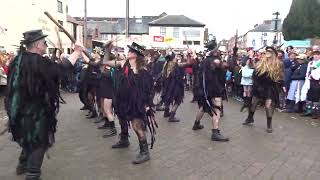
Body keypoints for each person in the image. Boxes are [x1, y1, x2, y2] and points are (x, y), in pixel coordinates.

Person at [6, 30, 84, 180]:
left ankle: (23, 163)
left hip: (18, 111)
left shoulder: (17, 60)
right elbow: (61, 69)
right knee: (38, 141)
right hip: (35, 113)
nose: (46, 45)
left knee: (27, 136)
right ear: (36, 45)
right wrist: (77, 51)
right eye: (44, 43)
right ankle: (32, 174)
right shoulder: (38, 62)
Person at [103, 42, 157, 164]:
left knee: (136, 126)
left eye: (131, 51)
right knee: (122, 119)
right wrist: (107, 50)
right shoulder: (122, 63)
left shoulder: (143, 70)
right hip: (122, 100)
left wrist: (147, 104)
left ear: (136, 55)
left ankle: (145, 152)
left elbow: (150, 88)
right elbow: (105, 62)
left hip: (136, 103)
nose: (128, 52)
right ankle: (124, 139)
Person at [242, 47, 286, 133]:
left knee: (268, 106)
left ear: (273, 53)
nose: (267, 53)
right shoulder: (261, 62)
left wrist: (280, 85)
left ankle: (269, 125)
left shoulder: (279, 64)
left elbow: (281, 76)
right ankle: (250, 118)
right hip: (259, 86)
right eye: (266, 52)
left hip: (270, 87)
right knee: (253, 104)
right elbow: (253, 70)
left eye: (269, 51)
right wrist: (250, 58)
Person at [192, 50, 229, 142]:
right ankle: (215, 132)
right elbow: (226, 66)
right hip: (215, 89)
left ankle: (196, 124)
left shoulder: (204, 61)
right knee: (217, 109)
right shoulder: (216, 61)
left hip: (205, 89)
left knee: (203, 107)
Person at [162, 51, 192, 122]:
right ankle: (172, 116)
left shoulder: (166, 64)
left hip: (167, 86)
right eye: (175, 57)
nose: (176, 58)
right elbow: (188, 64)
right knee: (178, 100)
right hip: (175, 86)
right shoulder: (175, 64)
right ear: (172, 58)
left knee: (168, 98)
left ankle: (166, 112)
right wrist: (188, 55)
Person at [301, 50, 320, 119]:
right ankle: (308, 111)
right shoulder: (310, 63)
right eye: (314, 55)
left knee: (316, 98)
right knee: (309, 97)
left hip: (317, 82)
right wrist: (307, 80)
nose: (316, 56)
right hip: (310, 81)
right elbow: (307, 72)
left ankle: (315, 113)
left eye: (317, 55)